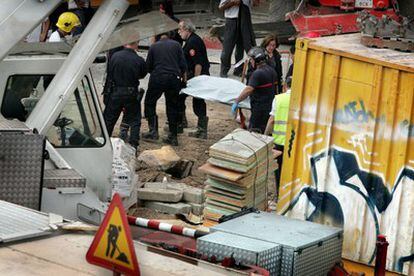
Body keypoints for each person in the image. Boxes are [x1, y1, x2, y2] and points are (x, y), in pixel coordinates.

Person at [143, 32, 187, 146]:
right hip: (173, 78)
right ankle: (173, 136)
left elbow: (148, 67)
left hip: (158, 77)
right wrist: (183, 81)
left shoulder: (154, 46)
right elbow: (183, 66)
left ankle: (153, 131)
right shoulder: (177, 45)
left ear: (158, 36)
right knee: (172, 105)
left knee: (150, 102)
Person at [103, 41, 147, 150]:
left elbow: (109, 74)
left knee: (109, 120)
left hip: (115, 92)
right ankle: (133, 145)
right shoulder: (139, 60)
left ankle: (104, 142)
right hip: (131, 93)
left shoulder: (115, 57)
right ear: (136, 44)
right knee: (135, 120)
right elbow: (142, 74)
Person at [177, 19, 210, 139]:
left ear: (187, 29)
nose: (178, 32)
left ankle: (201, 129)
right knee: (180, 97)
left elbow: (198, 64)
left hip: (198, 76)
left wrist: (197, 81)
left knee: (197, 101)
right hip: (192, 75)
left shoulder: (193, 42)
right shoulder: (191, 40)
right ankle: (181, 122)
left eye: (180, 29)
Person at [232, 47, 277, 133]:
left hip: (259, 109)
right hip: (269, 107)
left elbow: (249, 89)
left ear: (256, 60)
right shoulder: (272, 71)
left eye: (251, 60)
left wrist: (237, 101)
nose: (251, 62)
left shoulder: (257, 73)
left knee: (254, 132)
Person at [264, 76, 292, 197]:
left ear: (285, 86)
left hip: (279, 142)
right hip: (294, 143)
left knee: (279, 171)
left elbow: (272, 120)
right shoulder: (301, 99)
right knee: (291, 171)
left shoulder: (279, 99)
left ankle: (279, 195)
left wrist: (265, 136)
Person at [219, 0, 256, 78]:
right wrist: (232, 3)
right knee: (227, 47)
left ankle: (238, 70)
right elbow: (221, 7)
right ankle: (224, 70)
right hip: (232, 20)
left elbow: (255, 5)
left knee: (242, 47)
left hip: (244, 20)